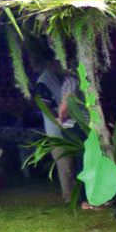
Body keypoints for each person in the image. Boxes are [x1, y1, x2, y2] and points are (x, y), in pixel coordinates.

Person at [33, 60, 77, 203]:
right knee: (65, 165)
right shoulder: (43, 83)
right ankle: (69, 197)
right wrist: (59, 118)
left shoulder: (66, 78)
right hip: (57, 131)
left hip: (73, 129)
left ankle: (80, 195)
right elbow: (45, 107)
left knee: (75, 164)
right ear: (52, 64)